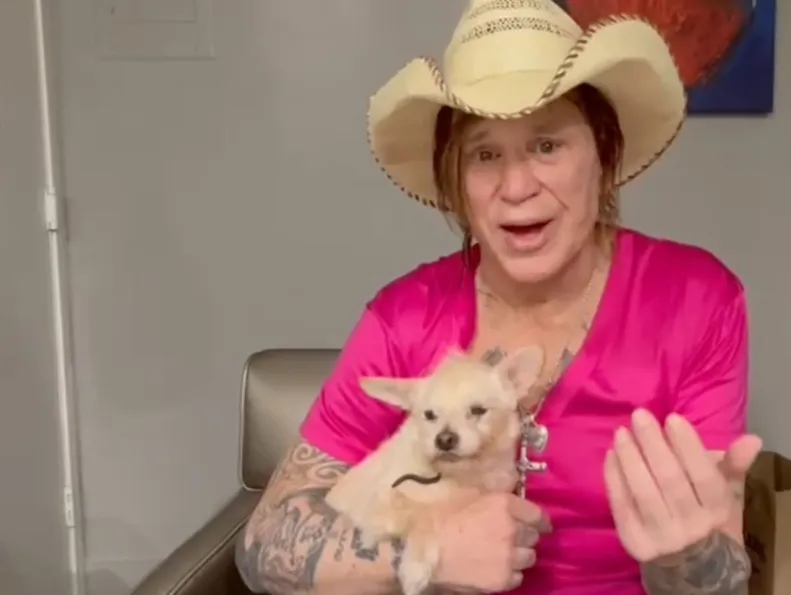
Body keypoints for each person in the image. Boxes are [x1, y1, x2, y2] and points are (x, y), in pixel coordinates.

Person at [235, 1, 763, 594]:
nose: (516, 188)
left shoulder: (695, 301)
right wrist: (426, 554)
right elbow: (262, 544)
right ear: (457, 181)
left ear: (604, 155)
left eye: (546, 145)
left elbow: (722, 582)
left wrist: (683, 557)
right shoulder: (403, 319)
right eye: (485, 154)